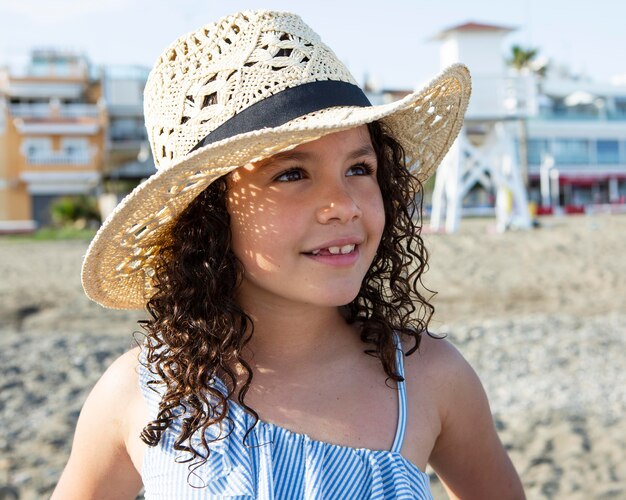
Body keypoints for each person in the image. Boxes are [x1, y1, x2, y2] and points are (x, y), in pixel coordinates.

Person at [53, 10, 524, 499]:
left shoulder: (430, 379)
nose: (342, 204)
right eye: (292, 174)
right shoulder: (143, 393)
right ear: (207, 216)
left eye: (360, 168)